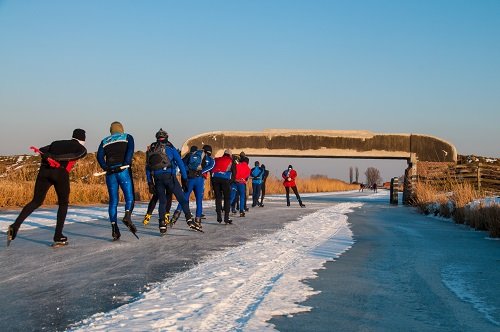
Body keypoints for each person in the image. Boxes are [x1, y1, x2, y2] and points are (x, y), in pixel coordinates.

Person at [7, 129, 88, 246]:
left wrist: (49, 156)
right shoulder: (82, 149)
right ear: (83, 139)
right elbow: (75, 155)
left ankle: (15, 226)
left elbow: (42, 150)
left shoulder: (57, 142)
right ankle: (58, 236)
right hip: (60, 173)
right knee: (63, 203)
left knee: (36, 201)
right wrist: (57, 158)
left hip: (44, 171)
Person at [145, 129, 198, 234]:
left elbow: (147, 167)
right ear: (166, 137)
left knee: (162, 201)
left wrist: (150, 182)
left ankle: (162, 224)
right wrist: (185, 179)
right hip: (170, 177)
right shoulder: (170, 147)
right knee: (182, 198)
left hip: (157, 178)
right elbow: (180, 163)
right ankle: (189, 219)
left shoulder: (151, 149)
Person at [97, 121, 138, 241]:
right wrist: (126, 163)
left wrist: (106, 167)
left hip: (110, 173)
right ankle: (127, 215)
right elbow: (130, 151)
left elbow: (99, 156)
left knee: (113, 201)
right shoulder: (127, 137)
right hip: (123, 170)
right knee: (129, 196)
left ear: (111, 130)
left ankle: (114, 229)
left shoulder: (104, 141)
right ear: (121, 129)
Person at [172, 144, 215, 229]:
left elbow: (182, 164)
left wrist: (187, 173)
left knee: (185, 198)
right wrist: (201, 171)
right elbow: (212, 166)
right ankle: (198, 221)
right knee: (199, 200)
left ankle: (175, 216)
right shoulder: (209, 159)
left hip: (190, 179)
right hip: (199, 180)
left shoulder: (191, 155)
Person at [211, 149, 235, 224]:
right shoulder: (231, 161)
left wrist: (212, 181)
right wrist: (230, 182)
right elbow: (234, 173)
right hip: (225, 180)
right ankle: (226, 218)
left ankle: (219, 216)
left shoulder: (217, 159)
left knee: (218, 198)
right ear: (230, 155)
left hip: (215, 179)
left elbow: (212, 170)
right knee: (227, 198)